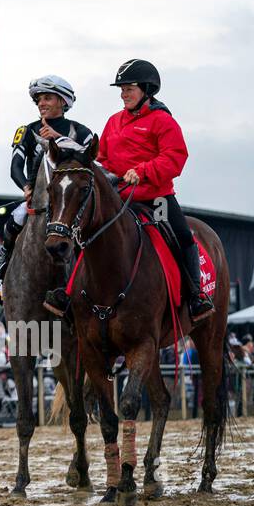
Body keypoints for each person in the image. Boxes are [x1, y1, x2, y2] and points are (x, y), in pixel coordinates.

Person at [43, 59, 214, 323]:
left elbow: (175, 157)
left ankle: (196, 295)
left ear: (146, 89)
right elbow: (104, 158)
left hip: (156, 197)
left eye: (129, 88)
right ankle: (68, 293)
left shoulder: (162, 121)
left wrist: (143, 170)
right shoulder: (114, 122)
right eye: (121, 89)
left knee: (183, 236)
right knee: (83, 230)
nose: (123, 94)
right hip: (119, 196)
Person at [0, 75, 93, 301]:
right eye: (38, 100)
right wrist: (26, 187)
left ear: (63, 101)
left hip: (70, 200)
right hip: (38, 199)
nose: (41, 103)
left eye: (47, 98)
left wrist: (58, 138)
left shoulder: (82, 132)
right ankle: (2, 268)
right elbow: (15, 167)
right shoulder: (26, 131)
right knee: (15, 218)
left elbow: (93, 161)